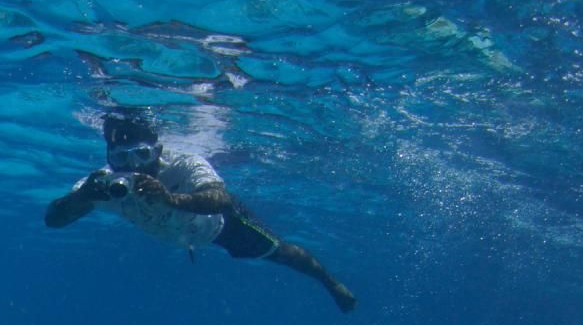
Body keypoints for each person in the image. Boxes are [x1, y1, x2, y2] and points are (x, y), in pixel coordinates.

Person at [45, 110, 357, 313]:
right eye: (121, 157)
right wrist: (79, 200)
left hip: (221, 226)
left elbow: (220, 199)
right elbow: (53, 221)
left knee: (282, 252)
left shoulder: (184, 163)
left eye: (142, 154)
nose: (134, 166)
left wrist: (172, 199)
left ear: (158, 150)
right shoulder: (104, 183)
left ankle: (329, 282)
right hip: (176, 235)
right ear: (109, 158)